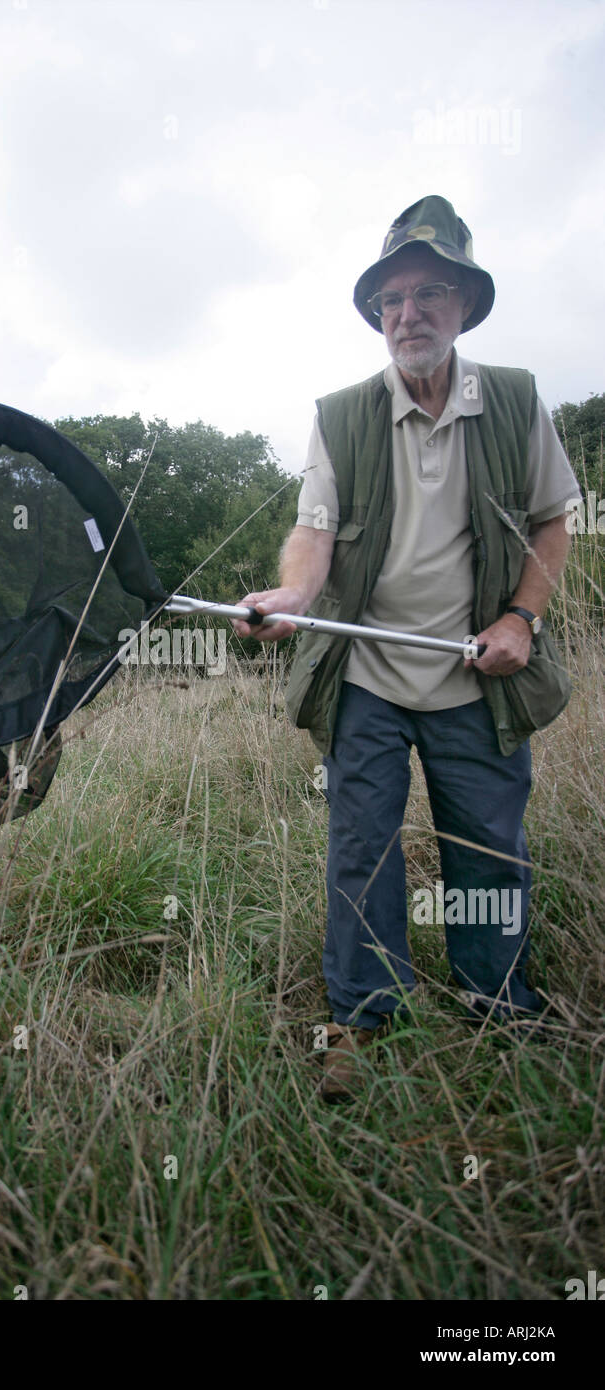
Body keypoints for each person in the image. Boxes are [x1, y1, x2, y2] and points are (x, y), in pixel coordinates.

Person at [232, 195, 582, 1103]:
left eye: (430, 292)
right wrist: (295, 599)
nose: (408, 314)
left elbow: (554, 518)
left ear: (465, 303)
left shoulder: (512, 398)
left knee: (488, 846)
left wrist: (521, 621)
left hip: (478, 671)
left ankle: (498, 1003)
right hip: (368, 676)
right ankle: (361, 1015)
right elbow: (314, 530)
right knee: (362, 847)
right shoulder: (342, 415)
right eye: (390, 300)